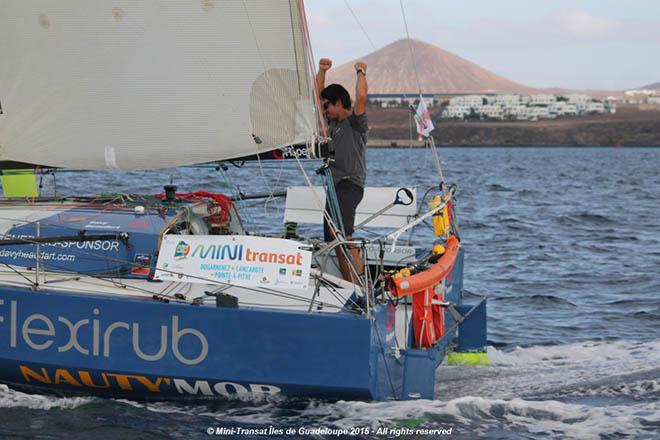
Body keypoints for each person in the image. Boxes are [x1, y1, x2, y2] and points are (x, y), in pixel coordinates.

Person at [316, 58, 368, 283]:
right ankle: (349, 283)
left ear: (338, 103)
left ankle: (361, 284)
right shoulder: (332, 124)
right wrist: (322, 71)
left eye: (328, 105)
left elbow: (362, 97)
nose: (324, 109)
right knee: (332, 237)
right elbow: (318, 98)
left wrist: (360, 72)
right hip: (334, 186)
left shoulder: (356, 123)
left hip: (350, 185)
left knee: (344, 236)